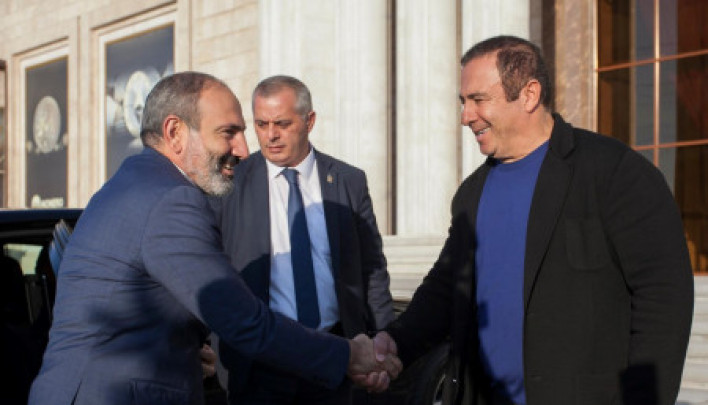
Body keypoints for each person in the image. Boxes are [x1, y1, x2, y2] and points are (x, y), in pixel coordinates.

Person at [28, 71, 400, 405]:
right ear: (175, 132)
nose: (243, 149)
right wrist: (349, 356)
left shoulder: (135, 183)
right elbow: (242, 319)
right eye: (228, 133)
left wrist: (189, 341)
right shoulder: (172, 199)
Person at [372, 35, 694, 405]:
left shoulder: (614, 171)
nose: (465, 116)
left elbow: (663, 297)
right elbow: (446, 289)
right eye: (463, 102)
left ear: (529, 94)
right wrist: (394, 341)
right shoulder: (471, 194)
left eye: (478, 100)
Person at [213, 74, 395, 405]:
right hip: (260, 364)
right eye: (261, 124)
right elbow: (210, 268)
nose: (271, 135)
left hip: (337, 359)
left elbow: (371, 268)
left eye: (282, 123)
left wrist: (384, 337)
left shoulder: (348, 181)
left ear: (309, 121)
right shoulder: (230, 184)